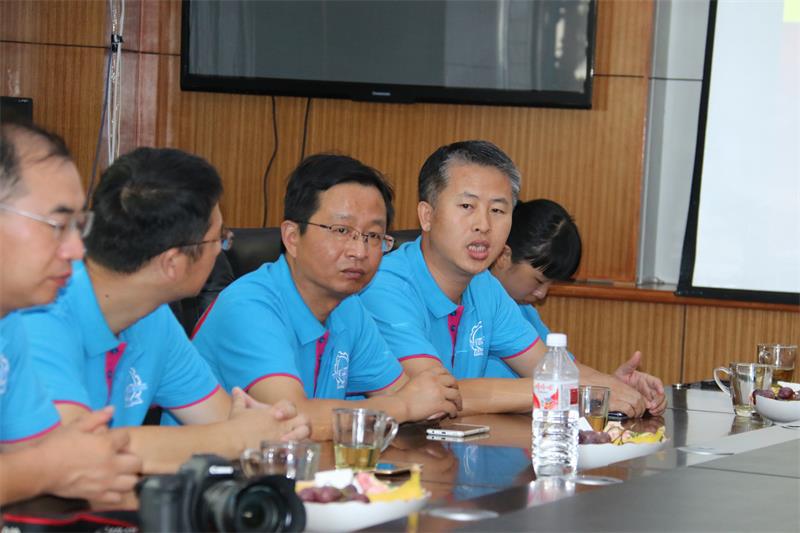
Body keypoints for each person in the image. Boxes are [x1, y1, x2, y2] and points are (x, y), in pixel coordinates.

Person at [16, 146, 310, 475]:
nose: (221, 251)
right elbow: (77, 452)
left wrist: (274, 427)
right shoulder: (38, 312)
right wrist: (237, 437)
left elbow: (220, 418)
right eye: (219, 239)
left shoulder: (152, 317)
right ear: (172, 263)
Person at [360, 140, 660, 417]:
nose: (483, 225)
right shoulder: (383, 285)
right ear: (427, 215)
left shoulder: (483, 285)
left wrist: (609, 386)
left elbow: (547, 367)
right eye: (467, 206)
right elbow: (437, 396)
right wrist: (564, 390)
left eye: (497, 210)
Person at [193, 154, 461, 439]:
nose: (359, 251)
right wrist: (403, 406)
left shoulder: (349, 307)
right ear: (292, 236)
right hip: (207, 465)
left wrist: (428, 397)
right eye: (342, 230)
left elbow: (405, 394)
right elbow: (288, 419)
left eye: (373, 236)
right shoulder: (248, 307)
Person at [0, 120, 141, 505]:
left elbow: (35, 448)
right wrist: (49, 468)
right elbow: (48, 463)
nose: (77, 251)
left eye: (79, 227)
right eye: (59, 225)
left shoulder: (8, 322)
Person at [489, 199, 666, 414]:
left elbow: (569, 374)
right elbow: (561, 382)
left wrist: (614, 387)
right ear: (504, 256)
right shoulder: (483, 301)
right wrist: (598, 389)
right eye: (538, 280)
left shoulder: (524, 311)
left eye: (551, 284)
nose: (542, 294)